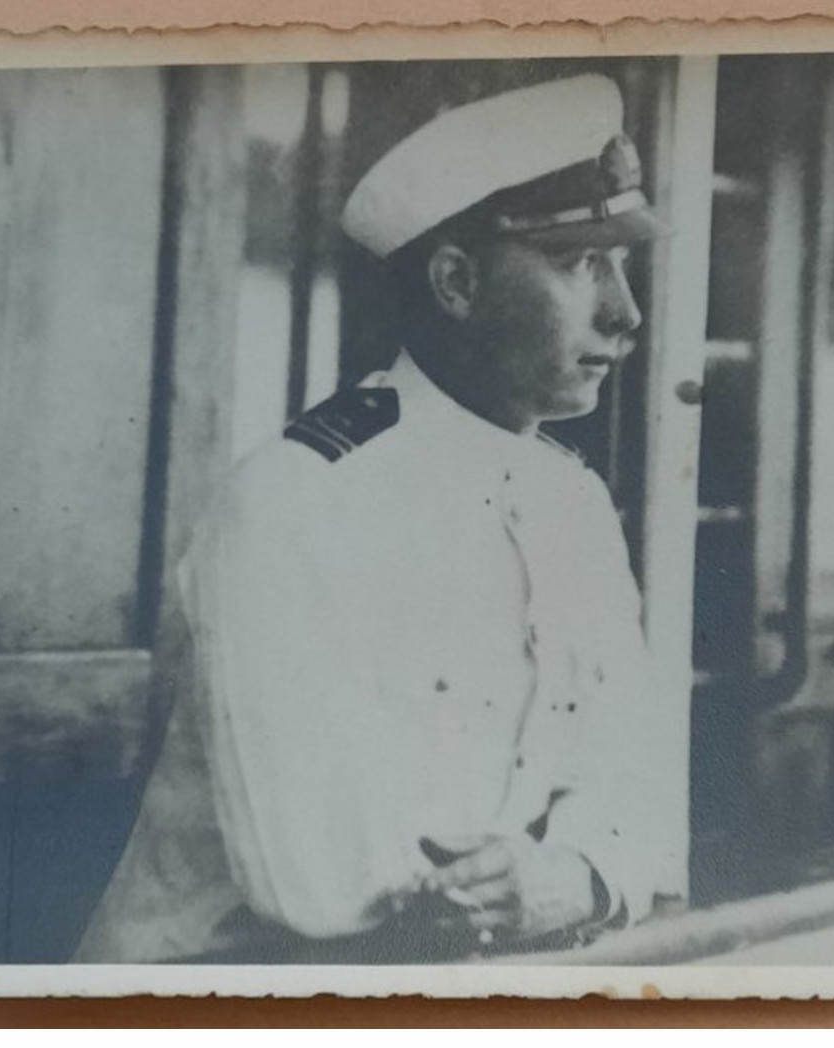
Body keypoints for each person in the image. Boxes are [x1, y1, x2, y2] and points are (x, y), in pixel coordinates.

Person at [75, 73, 679, 964]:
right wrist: (534, 884)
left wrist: (578, 879)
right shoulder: (296, 503)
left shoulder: (573, 506)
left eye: (621, 265)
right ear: (456, 281)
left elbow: (639, 787)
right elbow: (315, 885)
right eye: (578, 264)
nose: (624, 313)